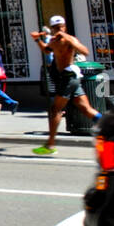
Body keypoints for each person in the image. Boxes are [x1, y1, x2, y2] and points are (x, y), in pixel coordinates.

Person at [32, 16, 100, 155]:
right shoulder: (53, 41)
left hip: (69, 77)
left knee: (55, 109)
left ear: (65, 27)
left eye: (62, 27)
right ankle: (112, 126)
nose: (60, 29)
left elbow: (85, 51)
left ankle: (50, 145)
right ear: (52, 29)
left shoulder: (70, 39)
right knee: (86, 109)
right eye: (56, 28)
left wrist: (69, 40)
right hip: (68, 78)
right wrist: (37, 39)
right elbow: (46, 50)